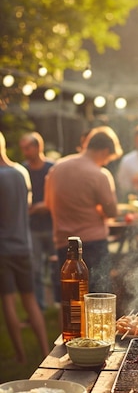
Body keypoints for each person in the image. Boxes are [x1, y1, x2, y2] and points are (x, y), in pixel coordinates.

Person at [45, 127, 122, 292]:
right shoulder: (99, 174)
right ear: (105, 151)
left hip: (63, 242)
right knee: (97, 296)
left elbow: (48, 203)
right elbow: (112, 212)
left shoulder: (57, 168)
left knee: (70, 297)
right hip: (92, 241)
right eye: (108, 158)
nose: (107, 162)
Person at [0, 132, 49, 363]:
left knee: (8, 301)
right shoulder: (21, 172)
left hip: (3, 249)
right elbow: (28, 204)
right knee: (30, 299)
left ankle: (20, 356)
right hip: (24, 245)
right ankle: (44, 350)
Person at [19, 131, 60, 311]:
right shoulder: (23, 169)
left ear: (38, 147)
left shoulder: (52, 168)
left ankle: (60, 304)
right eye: (23, 148)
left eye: (28, 148)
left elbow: (59, 195)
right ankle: (39, 307)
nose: (25, 152)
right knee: (34, 269)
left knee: (57, 267)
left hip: (53, 225)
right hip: (32, 227)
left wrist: (41, 206)